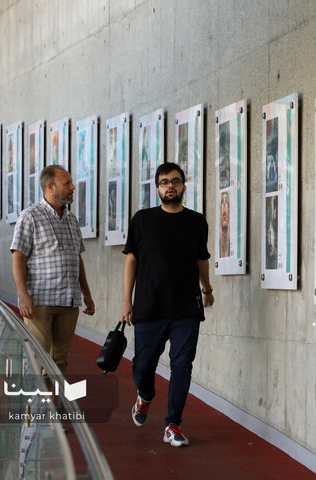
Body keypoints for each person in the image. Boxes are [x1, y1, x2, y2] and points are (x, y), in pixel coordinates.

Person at [120, 162, 214, 447]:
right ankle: (145, 395)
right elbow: (131, 260)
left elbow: (201, 259)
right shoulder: (142, 220)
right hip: (149, 305)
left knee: (182, 365)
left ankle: (173, 424)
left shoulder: (197, 221)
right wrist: (126, 300)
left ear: (184, 186)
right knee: (142, 365)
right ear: (157, 188)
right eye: (164, 182)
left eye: (175, 181)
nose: (170, 185)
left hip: (186, 306)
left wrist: (207, 289)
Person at [10, 165, 95, 375]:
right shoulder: (29, 217)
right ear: (50, 187)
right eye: (67, 183)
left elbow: (77, 259)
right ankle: (39, 408)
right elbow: (18, 258)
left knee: (60, 362)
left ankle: (52, 407)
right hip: (40, 303)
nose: (73, 187)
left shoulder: (72, 220)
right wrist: (23, 296)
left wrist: (87, 294)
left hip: (69, 302)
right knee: (39, 361)